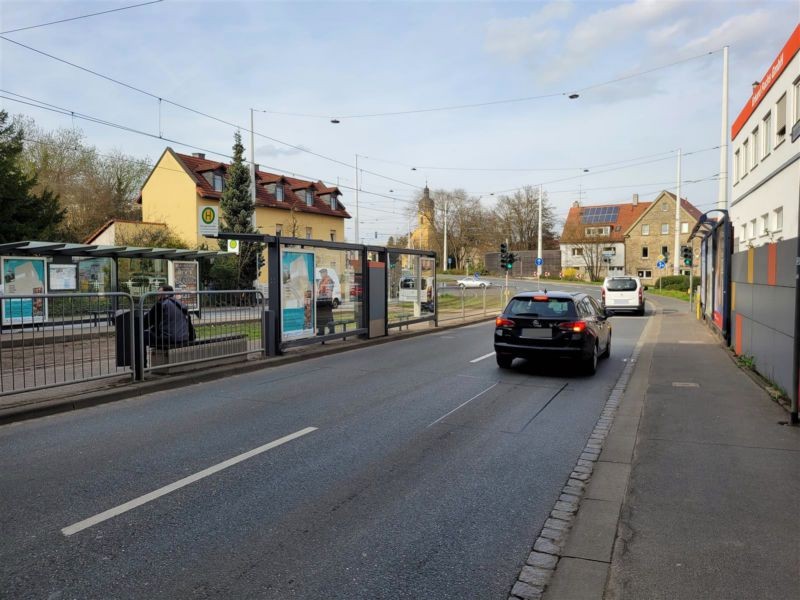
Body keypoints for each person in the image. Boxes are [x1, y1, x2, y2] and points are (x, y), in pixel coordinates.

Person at [316, 268, 335, 335]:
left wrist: (324, 299)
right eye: (321, 273)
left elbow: (328, 292)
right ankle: (322, 331)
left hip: (326, 301)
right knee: (323, 317)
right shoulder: (322, 280)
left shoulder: (329, 280)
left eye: (322, 273)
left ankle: (331, 331)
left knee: (328, 317)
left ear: (326, 273)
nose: (321, 274)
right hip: (322, 301)